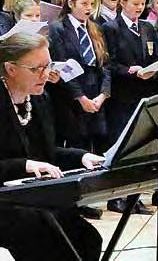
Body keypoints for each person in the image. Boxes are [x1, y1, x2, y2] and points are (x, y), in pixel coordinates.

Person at [0, 32, 105, 261]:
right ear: (10, 69)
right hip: (6, 200)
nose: (45, 74)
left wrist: (81, 157)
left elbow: (47, 154)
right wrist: (24, 165)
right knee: (44, 236)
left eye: (47, 66)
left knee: (87, 239)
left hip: (31, 196)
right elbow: (30, 161)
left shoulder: (39, 98)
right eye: (36, 69)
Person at [101, 0, 158, 214]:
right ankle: (115, 196)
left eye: (142, 4)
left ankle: (134, 197)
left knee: (139, 147)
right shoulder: (111, 28)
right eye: (135, 3)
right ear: (123, 3)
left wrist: (155, 68)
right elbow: (109, 63)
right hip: (122, 95)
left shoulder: (147, 27)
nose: (139, 8)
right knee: (120, 145)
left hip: (143, 94)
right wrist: (129, 71)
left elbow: (155, 56)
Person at [47, 0, 110, 155]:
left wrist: (103, 94)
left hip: (95, 92)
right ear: (71, 4)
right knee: (77, 146)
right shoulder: (58, 28)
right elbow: (63, 66)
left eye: (92, 4)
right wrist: (81, 98)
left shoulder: (95, 28)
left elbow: (105, 64)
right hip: (71, 96)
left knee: (97, 145)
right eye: (84, 4)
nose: (89, 8)